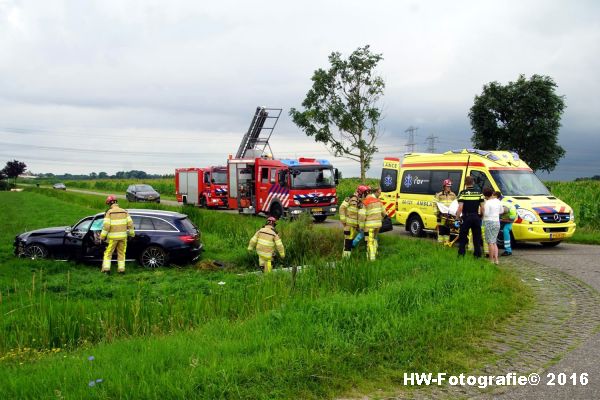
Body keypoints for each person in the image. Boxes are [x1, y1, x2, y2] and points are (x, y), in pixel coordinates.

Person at [100, 195, 135, 274]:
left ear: (109, 203)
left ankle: (106, 270)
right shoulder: (125, 211)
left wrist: (102, 237)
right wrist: (132, 234)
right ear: (116, 202)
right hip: (123, 237)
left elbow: (106, 226)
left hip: (112, 238)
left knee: (108, 253)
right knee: (121, 253)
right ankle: (121, 270)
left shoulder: (109, 212)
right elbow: (130, 224)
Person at [456, 176, 485, 258]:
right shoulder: (479, 192)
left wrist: (457, 218)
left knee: (463, 237)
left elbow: (460, 208)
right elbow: (482, 207)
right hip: (476, 217)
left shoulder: (463, 193)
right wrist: (481, 216)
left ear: (465, 183)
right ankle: (477, 255)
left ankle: (461, 254)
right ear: (473, 183)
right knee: (476, 237)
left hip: (466, 217)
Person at [358, 186, 387, 261]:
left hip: (369, 226)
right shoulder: (378, 201)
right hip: (378, 225)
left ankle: (371, 259)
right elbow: (384, 213)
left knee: (369, 242)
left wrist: (361, 227)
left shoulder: (365, 202)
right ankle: (375, 253)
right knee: (374, 240)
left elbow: (362, 216)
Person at [482, 187, 504, 264]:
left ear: (485, 196)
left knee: (490, 242)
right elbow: (502, 211)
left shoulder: (487, 203)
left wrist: (482, 212)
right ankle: (496, 260)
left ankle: (491, 260)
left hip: (489, 222)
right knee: (494, 242)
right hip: (497, 222)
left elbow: (486, 213)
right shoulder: (498, 201)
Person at [339, 187, 363, 257]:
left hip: (353, 226)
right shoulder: (350, 198)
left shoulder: (359, 201)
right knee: (348, 243)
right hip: (348, 225)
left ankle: (346, 259)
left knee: (349, 242)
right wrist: (343, 221)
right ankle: (346, 260)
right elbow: (342, 208)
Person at [434, 179, 457, 245]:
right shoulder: (439, 195)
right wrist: (437, 213)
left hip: (449, 216)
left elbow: (455, 205)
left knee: (447, 231)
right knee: (441, 231)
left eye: (450, 186)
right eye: (447, 186)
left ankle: (446, 244)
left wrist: (454, 214)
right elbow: (435, 204)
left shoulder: (453, 195)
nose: (449, 188)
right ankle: (440, 244)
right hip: (441, 216)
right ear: (444, 187)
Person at [497, 191, 517, 256]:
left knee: (506, 231)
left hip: (508, 220)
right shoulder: (501, 205)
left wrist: (501, 219)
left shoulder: (512, 213)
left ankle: (508, 250)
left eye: (503, 213)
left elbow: (510, 221)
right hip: (503, 219)